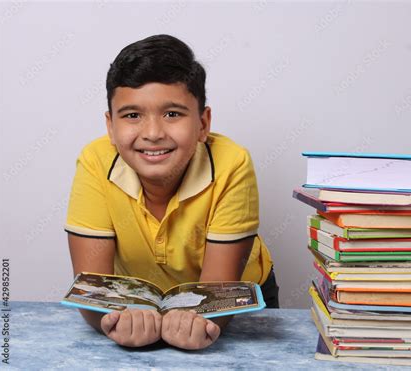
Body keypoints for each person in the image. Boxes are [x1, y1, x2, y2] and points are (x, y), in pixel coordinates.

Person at [65, 34, 279, 350]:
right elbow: (93, 292)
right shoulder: (95, 161)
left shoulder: (232, 163)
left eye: (173, 114)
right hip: (135, 309)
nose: (152, 134)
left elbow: (214, 303)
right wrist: (115, 320)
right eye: (132, 115)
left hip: (229, 306)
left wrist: (199, 321)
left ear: (203, 123)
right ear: (111, 126)